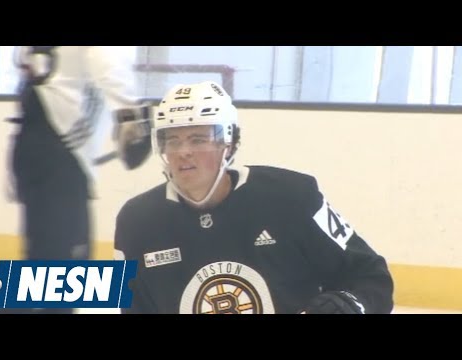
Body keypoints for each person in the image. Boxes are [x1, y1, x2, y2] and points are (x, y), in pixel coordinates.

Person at [114, 81, 394, 314]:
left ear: (230, 143)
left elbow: (371, 276)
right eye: (173, 140)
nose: (183, 151)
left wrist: (353, 304)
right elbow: (125, 304)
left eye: (198, 139)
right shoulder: (137, 221)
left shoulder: (292, 198)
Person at [0, 46, 152, 315]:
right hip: (61, 149)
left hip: (35, 140)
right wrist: (129, 114)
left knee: (44, 262)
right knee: (69, 271)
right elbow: (105, 58)